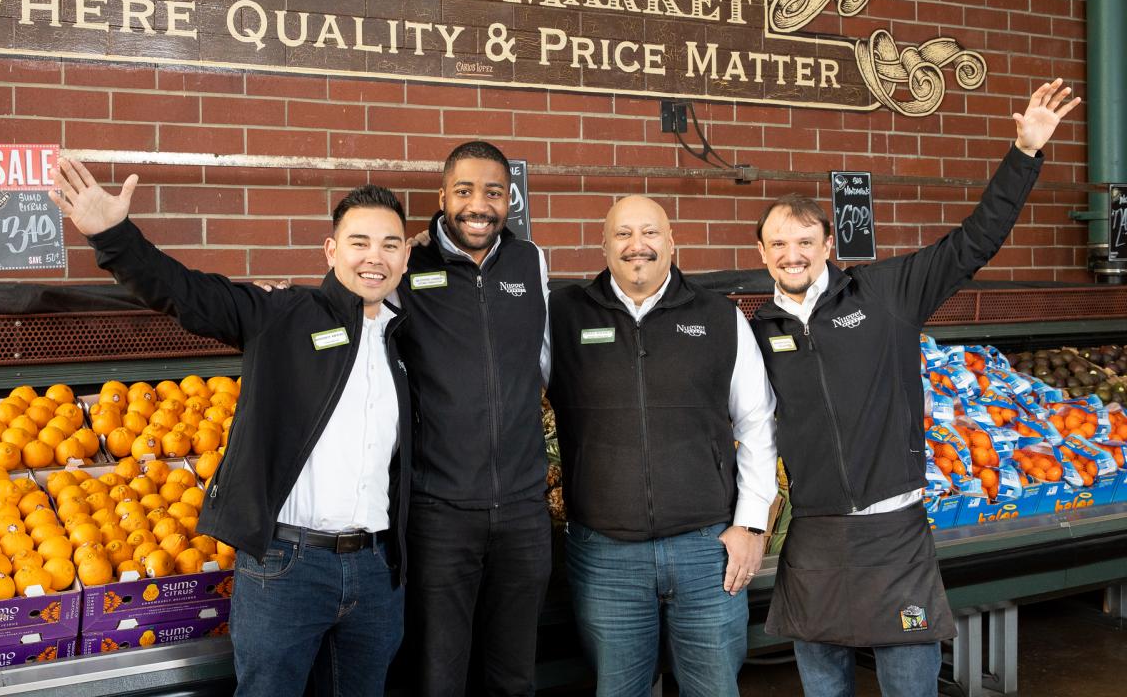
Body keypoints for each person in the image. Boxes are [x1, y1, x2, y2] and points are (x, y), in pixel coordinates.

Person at [749, 79, 1080, 697]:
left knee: (911, 686)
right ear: (763, 254)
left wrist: (1025, 152)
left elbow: (973, 243)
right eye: (779, 245)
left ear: (827, 245)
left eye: (803, 241)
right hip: (815, 537)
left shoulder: (885, 293)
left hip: (894, 532)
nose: (792, 254)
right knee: (824, 690)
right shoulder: (757, 332)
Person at [49, 158, 413, 697]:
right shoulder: (280, 315)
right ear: (332, 251)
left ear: (406, 255)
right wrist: (113, 236)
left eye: (389, 245)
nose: (374, 258)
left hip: (378, 570)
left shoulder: (407, 339)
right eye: (359, 242)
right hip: (286, 566)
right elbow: (186, 294)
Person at [546, 195, 778, 696]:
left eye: (650, 232)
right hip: (606, 554)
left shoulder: (719, 317)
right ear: (604, 245)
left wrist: (751, 524)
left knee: (714, 688)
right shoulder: (560, 316)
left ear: (672, 242)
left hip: (707, 550)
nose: (638, 245)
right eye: (623, 234)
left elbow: (757, 422)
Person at [397, 140, 552, 696]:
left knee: (513, 676)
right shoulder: (407, 264)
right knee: (439, 676)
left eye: (492, 191)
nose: (478, 205)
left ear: (509, 198)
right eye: (464, 191)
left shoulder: (530, 261)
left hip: (522, 511)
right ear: (442, 197)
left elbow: (548, 362)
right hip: (440, 511)